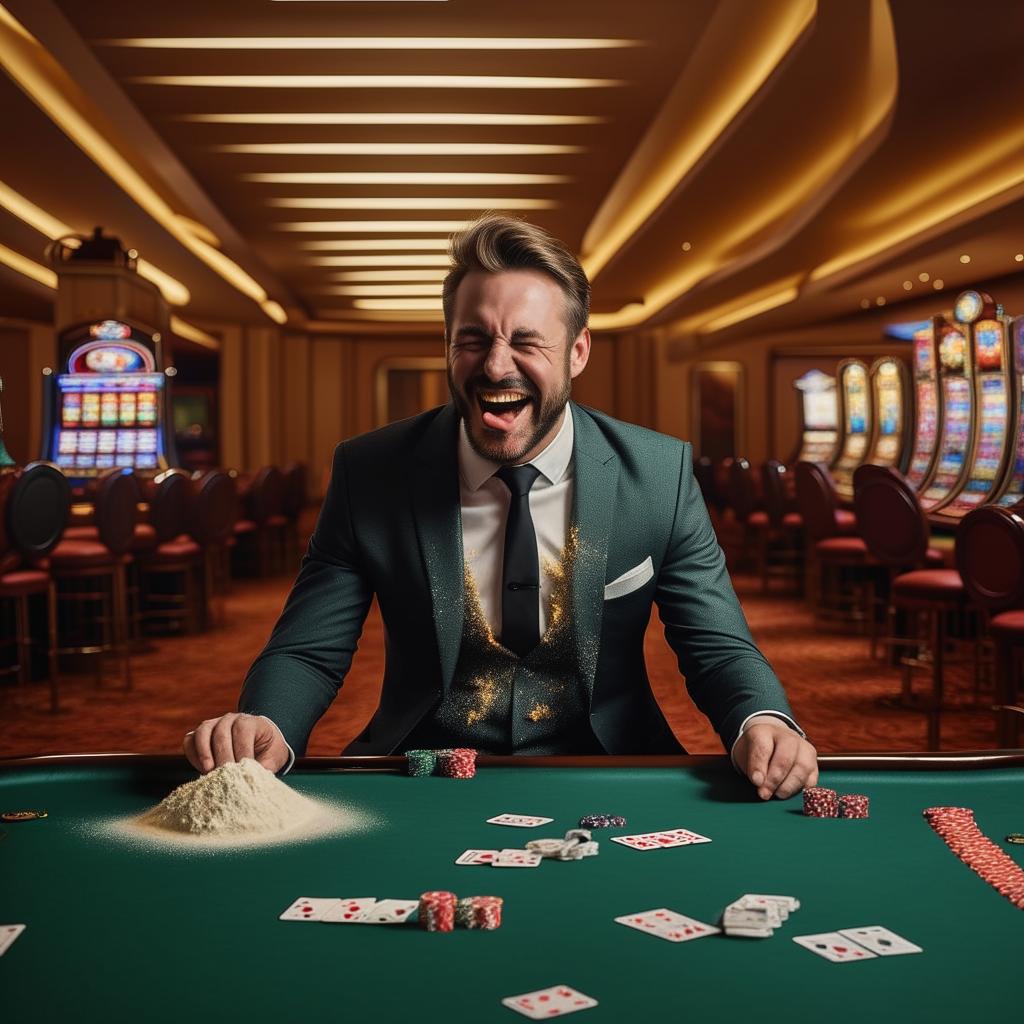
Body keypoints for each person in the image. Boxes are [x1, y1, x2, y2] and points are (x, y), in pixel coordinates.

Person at [184, 216, 818, 801]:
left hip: (613, 766)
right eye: (473, 339)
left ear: (577, 352)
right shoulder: (369, 471)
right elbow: (308, 649)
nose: (495, 364)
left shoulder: (659, 474)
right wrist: (268, 722)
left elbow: (717, 647)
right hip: (419, 770)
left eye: (526, 341)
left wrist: (761, 719)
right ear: (447, 346)